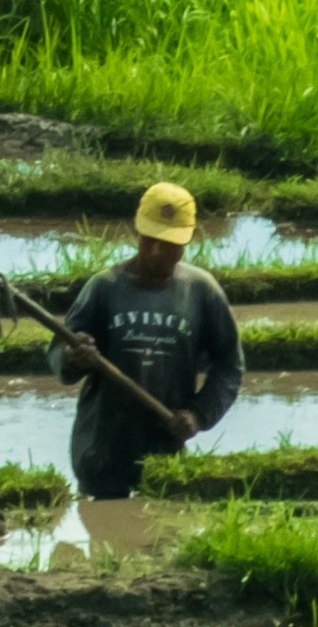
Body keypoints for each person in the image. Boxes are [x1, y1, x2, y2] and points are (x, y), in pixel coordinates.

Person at [53, 182, 242, 501]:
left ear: (187, 241)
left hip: (164, 447)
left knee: (164, 535)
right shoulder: (104, 287)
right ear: (137, 232)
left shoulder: (201, 293)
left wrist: (198, 414)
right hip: (102, 449)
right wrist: (73, 357)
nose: (155, 251)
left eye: (167, 243)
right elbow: (59, 354)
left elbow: (229, 366)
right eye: (149, 240)